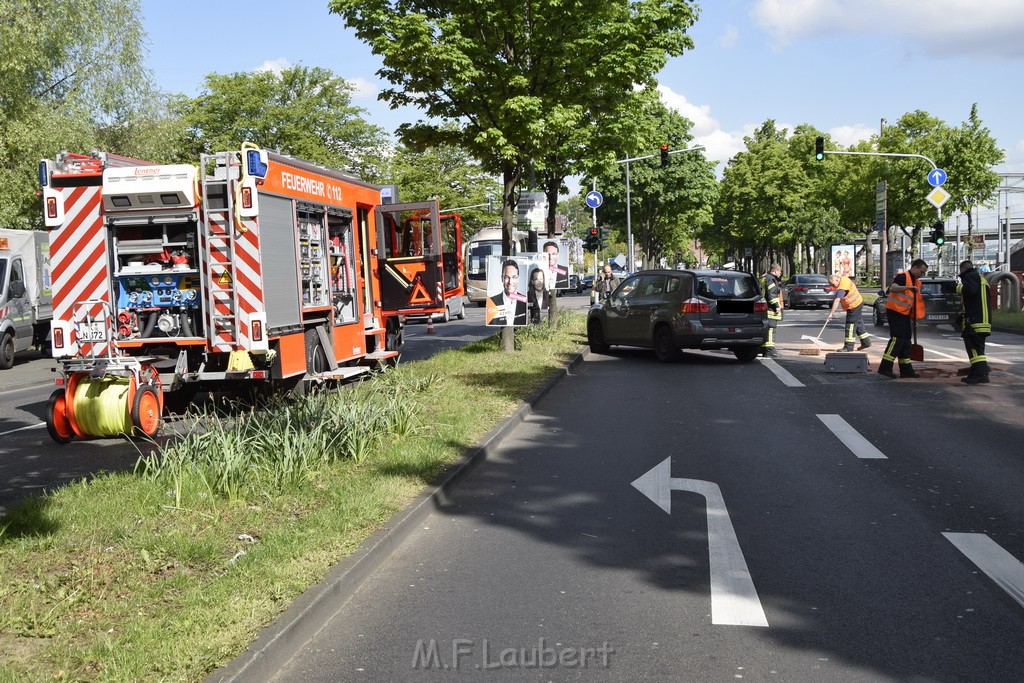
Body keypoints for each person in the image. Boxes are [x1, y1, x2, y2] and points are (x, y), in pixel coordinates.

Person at [877, 259, 927, 379]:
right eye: (921, 272)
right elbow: (893, 288)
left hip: (904, 314)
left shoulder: (916, 282)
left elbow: (912, 302)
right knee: (897, 339)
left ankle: (906, 369)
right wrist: (908, 287)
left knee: (906, 341)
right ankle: (885, 367)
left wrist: (914, 319)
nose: (922, 275)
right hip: (895, 311)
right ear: (914, 268)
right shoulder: (903, 277)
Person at [957, 260, 991, 384]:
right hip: (981, 321)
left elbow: (969, 290)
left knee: (975, 350)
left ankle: (981, 375)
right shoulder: (980, 278)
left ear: (963, 269)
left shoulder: (971, 276)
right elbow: (974, 299)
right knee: (976, 349)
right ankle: (974, 373)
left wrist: (955, 287)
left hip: (975, 322)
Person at [826, 272, 871, 352]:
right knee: (858, 323)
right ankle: (866, 342)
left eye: (833, 284)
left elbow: (837, 300)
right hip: (857, 303)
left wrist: (831, 313)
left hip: (854, 306)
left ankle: (849, 347)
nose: (833, 287)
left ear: (837, 280)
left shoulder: (843, 287)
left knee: (850, 326)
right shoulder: (843, 279)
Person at [486, 259, 528, 326]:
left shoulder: (525, 301)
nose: (510, 282)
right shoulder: (492, 302)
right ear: (502, 278)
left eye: (514, 277)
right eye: (507, 277)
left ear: (518, 279)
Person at [760, 263, 783, 358]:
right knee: (771, 329)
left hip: (764, 306)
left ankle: (763, 349)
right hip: (770, 308)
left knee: (767, 328)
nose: (780, 274)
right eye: (780, 272)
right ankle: (770, 350)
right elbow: (772, 294)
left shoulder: (765, 278)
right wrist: (777, 305)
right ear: (776, 270)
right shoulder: (771, 279)